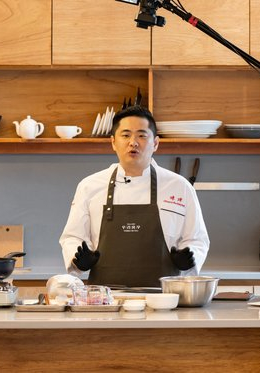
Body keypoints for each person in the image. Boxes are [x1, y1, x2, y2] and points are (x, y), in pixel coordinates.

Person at [59, 106, 209, 287]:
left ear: (156, 143)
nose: (133, 142)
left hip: (165, 300)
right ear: (113, 142)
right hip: (104, 302)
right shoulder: (89, 186)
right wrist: (79, 259)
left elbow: (197, 238)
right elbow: (72, 237)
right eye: (126, 135)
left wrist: (188, 258)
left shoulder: (180, 187)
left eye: (142, 135)